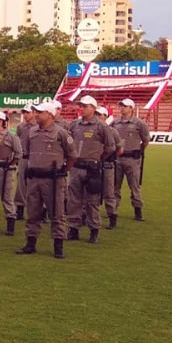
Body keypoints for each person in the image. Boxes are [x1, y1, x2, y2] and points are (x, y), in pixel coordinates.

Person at [16, 102, 76, 259]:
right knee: (33, 212)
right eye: (36, 112)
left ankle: (58, 245)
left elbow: (72, 155)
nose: (36, 115)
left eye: (40, 112)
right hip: (35, 177)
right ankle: (30, 243)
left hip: (53, 179)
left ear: (50, 114)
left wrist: (64, 170)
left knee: (56, 213)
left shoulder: (61, 133)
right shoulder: (32, 132)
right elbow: (27, 152)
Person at [66, 95, 116, 244]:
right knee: (74, 200)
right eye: (80, 106)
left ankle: (94, 229)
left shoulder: (102, 126)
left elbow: (110, 147)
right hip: (76, 167)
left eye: (85, 106)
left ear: (93, 108)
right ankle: (73, 228)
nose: (81, 109)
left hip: (92, 168)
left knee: (92, 201)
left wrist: (98, 159)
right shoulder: (74, 125)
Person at [112, 98, 150, 222]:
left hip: (132, 159)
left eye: (125, 106)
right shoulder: (115, 123)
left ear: (131, 109)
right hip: (117, 158)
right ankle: (113, 210)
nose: (122, 108)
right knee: (114, 186)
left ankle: (138, 210)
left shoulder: (139, 123)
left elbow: (145, 141)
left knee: (134, 186)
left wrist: (137, 151)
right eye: (121, 105)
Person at [96, 107, 123, 229]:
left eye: (100, 114)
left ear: (106, 117)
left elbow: (119, 149)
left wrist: (108, 156)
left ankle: (112, 217)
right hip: (94, 165)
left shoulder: (113, 131)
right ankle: (87, 216)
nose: (97, 116)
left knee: (109, 192)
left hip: (107, 165)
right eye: (96, 114)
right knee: (91, 192)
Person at [14, 103, 36, 220]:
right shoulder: (20, 127)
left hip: (35, 158)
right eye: (24, 112)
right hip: (23, 157)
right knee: (21, 184)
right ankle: (20, 208)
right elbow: (17, 142)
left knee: (36, 184)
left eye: (28, 112)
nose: (26, 115)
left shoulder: (38, 126)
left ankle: (40, 210)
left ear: (33, 113)